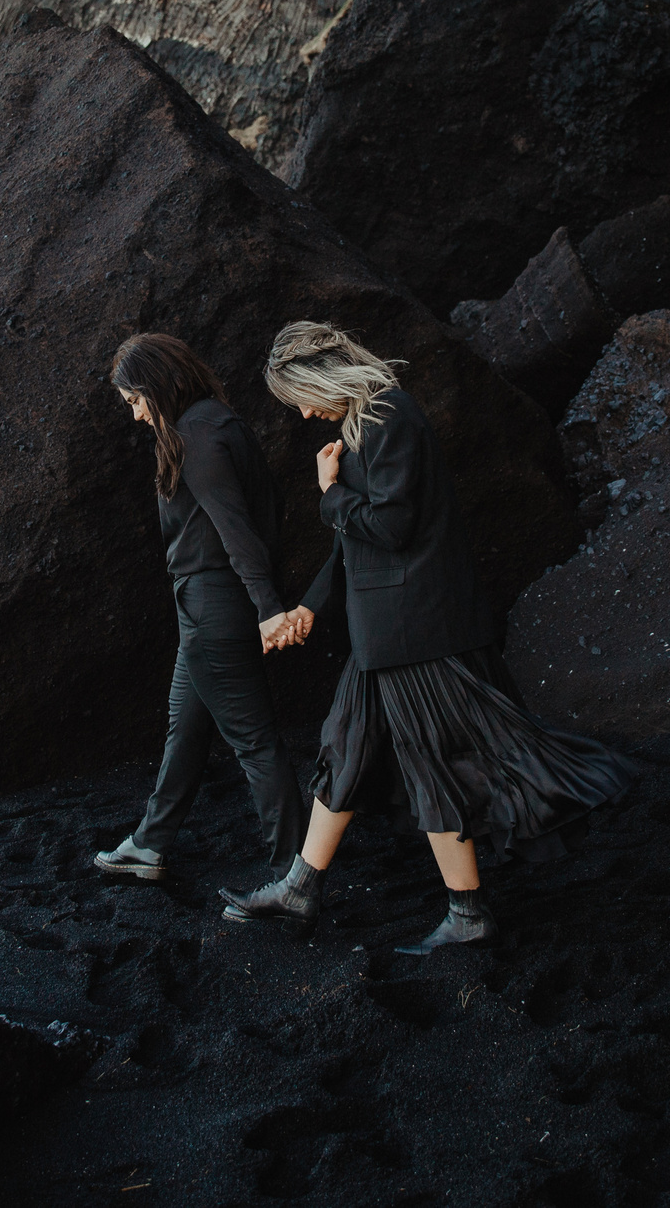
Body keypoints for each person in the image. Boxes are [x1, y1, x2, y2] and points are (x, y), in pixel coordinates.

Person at [221, 321, 636, 954]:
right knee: (346, 745)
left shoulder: (389, 416)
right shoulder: (369, 423)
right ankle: (300, 888)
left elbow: (390, 527)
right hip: (384, 630)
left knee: (434, 763)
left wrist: (328, 494)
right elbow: (360, 542)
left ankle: (467, 914)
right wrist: (309, 606)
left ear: (325, 378)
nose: (305, 413)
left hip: (415, 630)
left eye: (302, 397)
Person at [94, 333, 309, 881]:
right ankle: (149, 844)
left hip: (216, 606)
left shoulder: (198, 436)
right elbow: (270, 509)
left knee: (256, 742)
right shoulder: (217, 421)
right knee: (185, 727)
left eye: (135, 401)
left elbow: (237, 530)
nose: (138, 416)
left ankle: (295, 874)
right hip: (208, 607)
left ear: (155, 385)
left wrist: (268, 607)